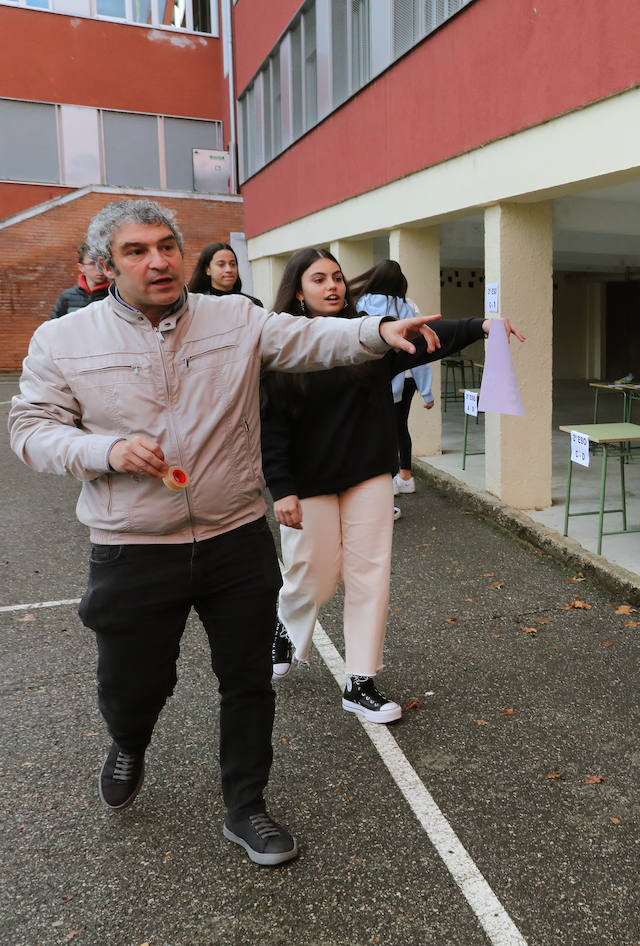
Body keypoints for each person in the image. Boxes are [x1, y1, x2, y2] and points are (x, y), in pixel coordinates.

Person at [8, 199, 441, 866]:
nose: (157, 261)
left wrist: (377, 336)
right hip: (132, 545)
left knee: (247, 681)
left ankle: (247, 807)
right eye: (135, 251)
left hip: (235, 536)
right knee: (134, 684)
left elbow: (306, 340)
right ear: (105, 264)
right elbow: (30, 429)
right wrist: (106, 451)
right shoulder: (64, 339)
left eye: (166, 246)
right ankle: (129, 742)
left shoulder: (234, 318)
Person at [261, 256, 524, 724]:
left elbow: (430, 340)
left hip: (368, 474)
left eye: (337, 277)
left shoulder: (373, 335)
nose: (333, 286)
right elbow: (272, 426)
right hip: (308, 483)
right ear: (298, 293)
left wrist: (483, 325)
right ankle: (287, 619)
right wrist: (281, 488)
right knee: (314, 574)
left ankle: (360, 680)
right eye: (319, 279)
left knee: (369, 575)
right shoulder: (285, 347)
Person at [391, 359, 435, 496]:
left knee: (387, 429)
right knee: (399, 427)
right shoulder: (415, 337)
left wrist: (427, 393)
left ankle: (389, 479)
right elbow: (421, 361)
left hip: (393, 383)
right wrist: (426, 392)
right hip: (409, 380)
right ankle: (405, 478)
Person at [187, 241, 263, 306]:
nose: (229, 270)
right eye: (221, 264)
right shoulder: (195, 304)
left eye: (233, 264)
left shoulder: (252, 304)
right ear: (208, 270)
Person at [48, 242, 111, 319]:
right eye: (92, 263)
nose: (99, 268)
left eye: (102, 263)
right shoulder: (67, 297)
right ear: (81, 267)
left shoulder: (116, 296)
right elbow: (53, 327)